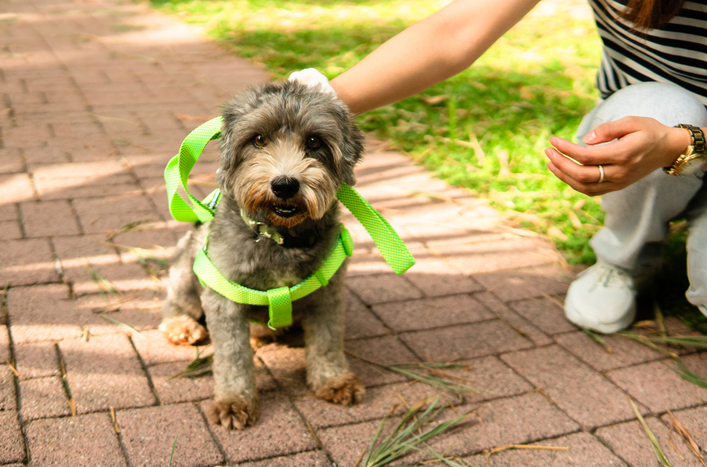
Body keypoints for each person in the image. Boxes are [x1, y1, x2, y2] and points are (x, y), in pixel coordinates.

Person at [291, 0, 707, 334]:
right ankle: (624, 257)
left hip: (684, 137)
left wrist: (684, 143)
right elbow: (457, 30)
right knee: (657, 111)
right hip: (653, 107)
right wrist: (312, 100)